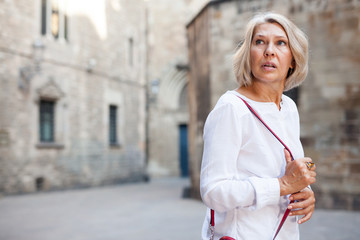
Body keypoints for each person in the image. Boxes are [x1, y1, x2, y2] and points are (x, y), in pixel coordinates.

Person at [200, 12, 316, 240]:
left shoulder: (289, 108)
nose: (269, 51)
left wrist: (306, 193)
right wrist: (281, 185)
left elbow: (287, 171)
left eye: (281, 43)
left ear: (293, 59)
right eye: (260, 42)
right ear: (249, 54)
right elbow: (212, 191)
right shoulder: (231, 108)